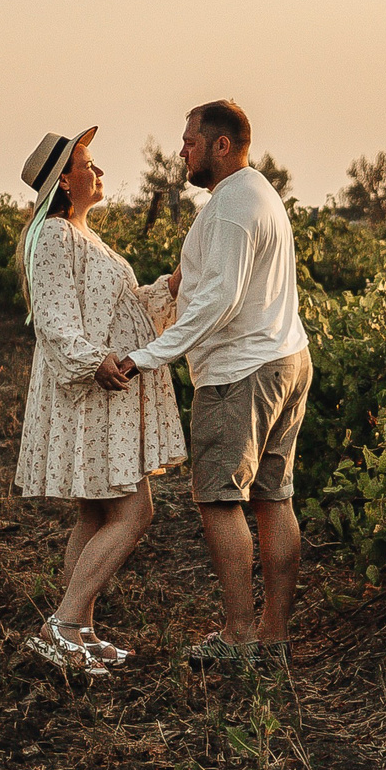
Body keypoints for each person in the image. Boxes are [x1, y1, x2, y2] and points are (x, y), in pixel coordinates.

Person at [96, 100, 310, 666]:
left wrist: (147, 357)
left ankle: (239, 638)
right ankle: (274, 638)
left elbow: (219, 300)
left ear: (220, 144)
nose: (181, 151)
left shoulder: (235, 206)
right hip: (284, 357)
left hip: (242, 371)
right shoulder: (254, 194)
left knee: (219, 499)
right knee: (273, 496)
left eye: (189, 141)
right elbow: (204, 281)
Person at [12, 127, 186, 676]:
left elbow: (123, 309)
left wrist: (170, 287)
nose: (101, 172)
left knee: (95, 511)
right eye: (90, 163)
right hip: (94, 392)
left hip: (105, 393)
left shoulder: (87, 238)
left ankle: (79, 631)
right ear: (65, 179)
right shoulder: (57, 236)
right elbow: (56, 321)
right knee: (136, 513)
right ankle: (62, 625)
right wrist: (96, 361)